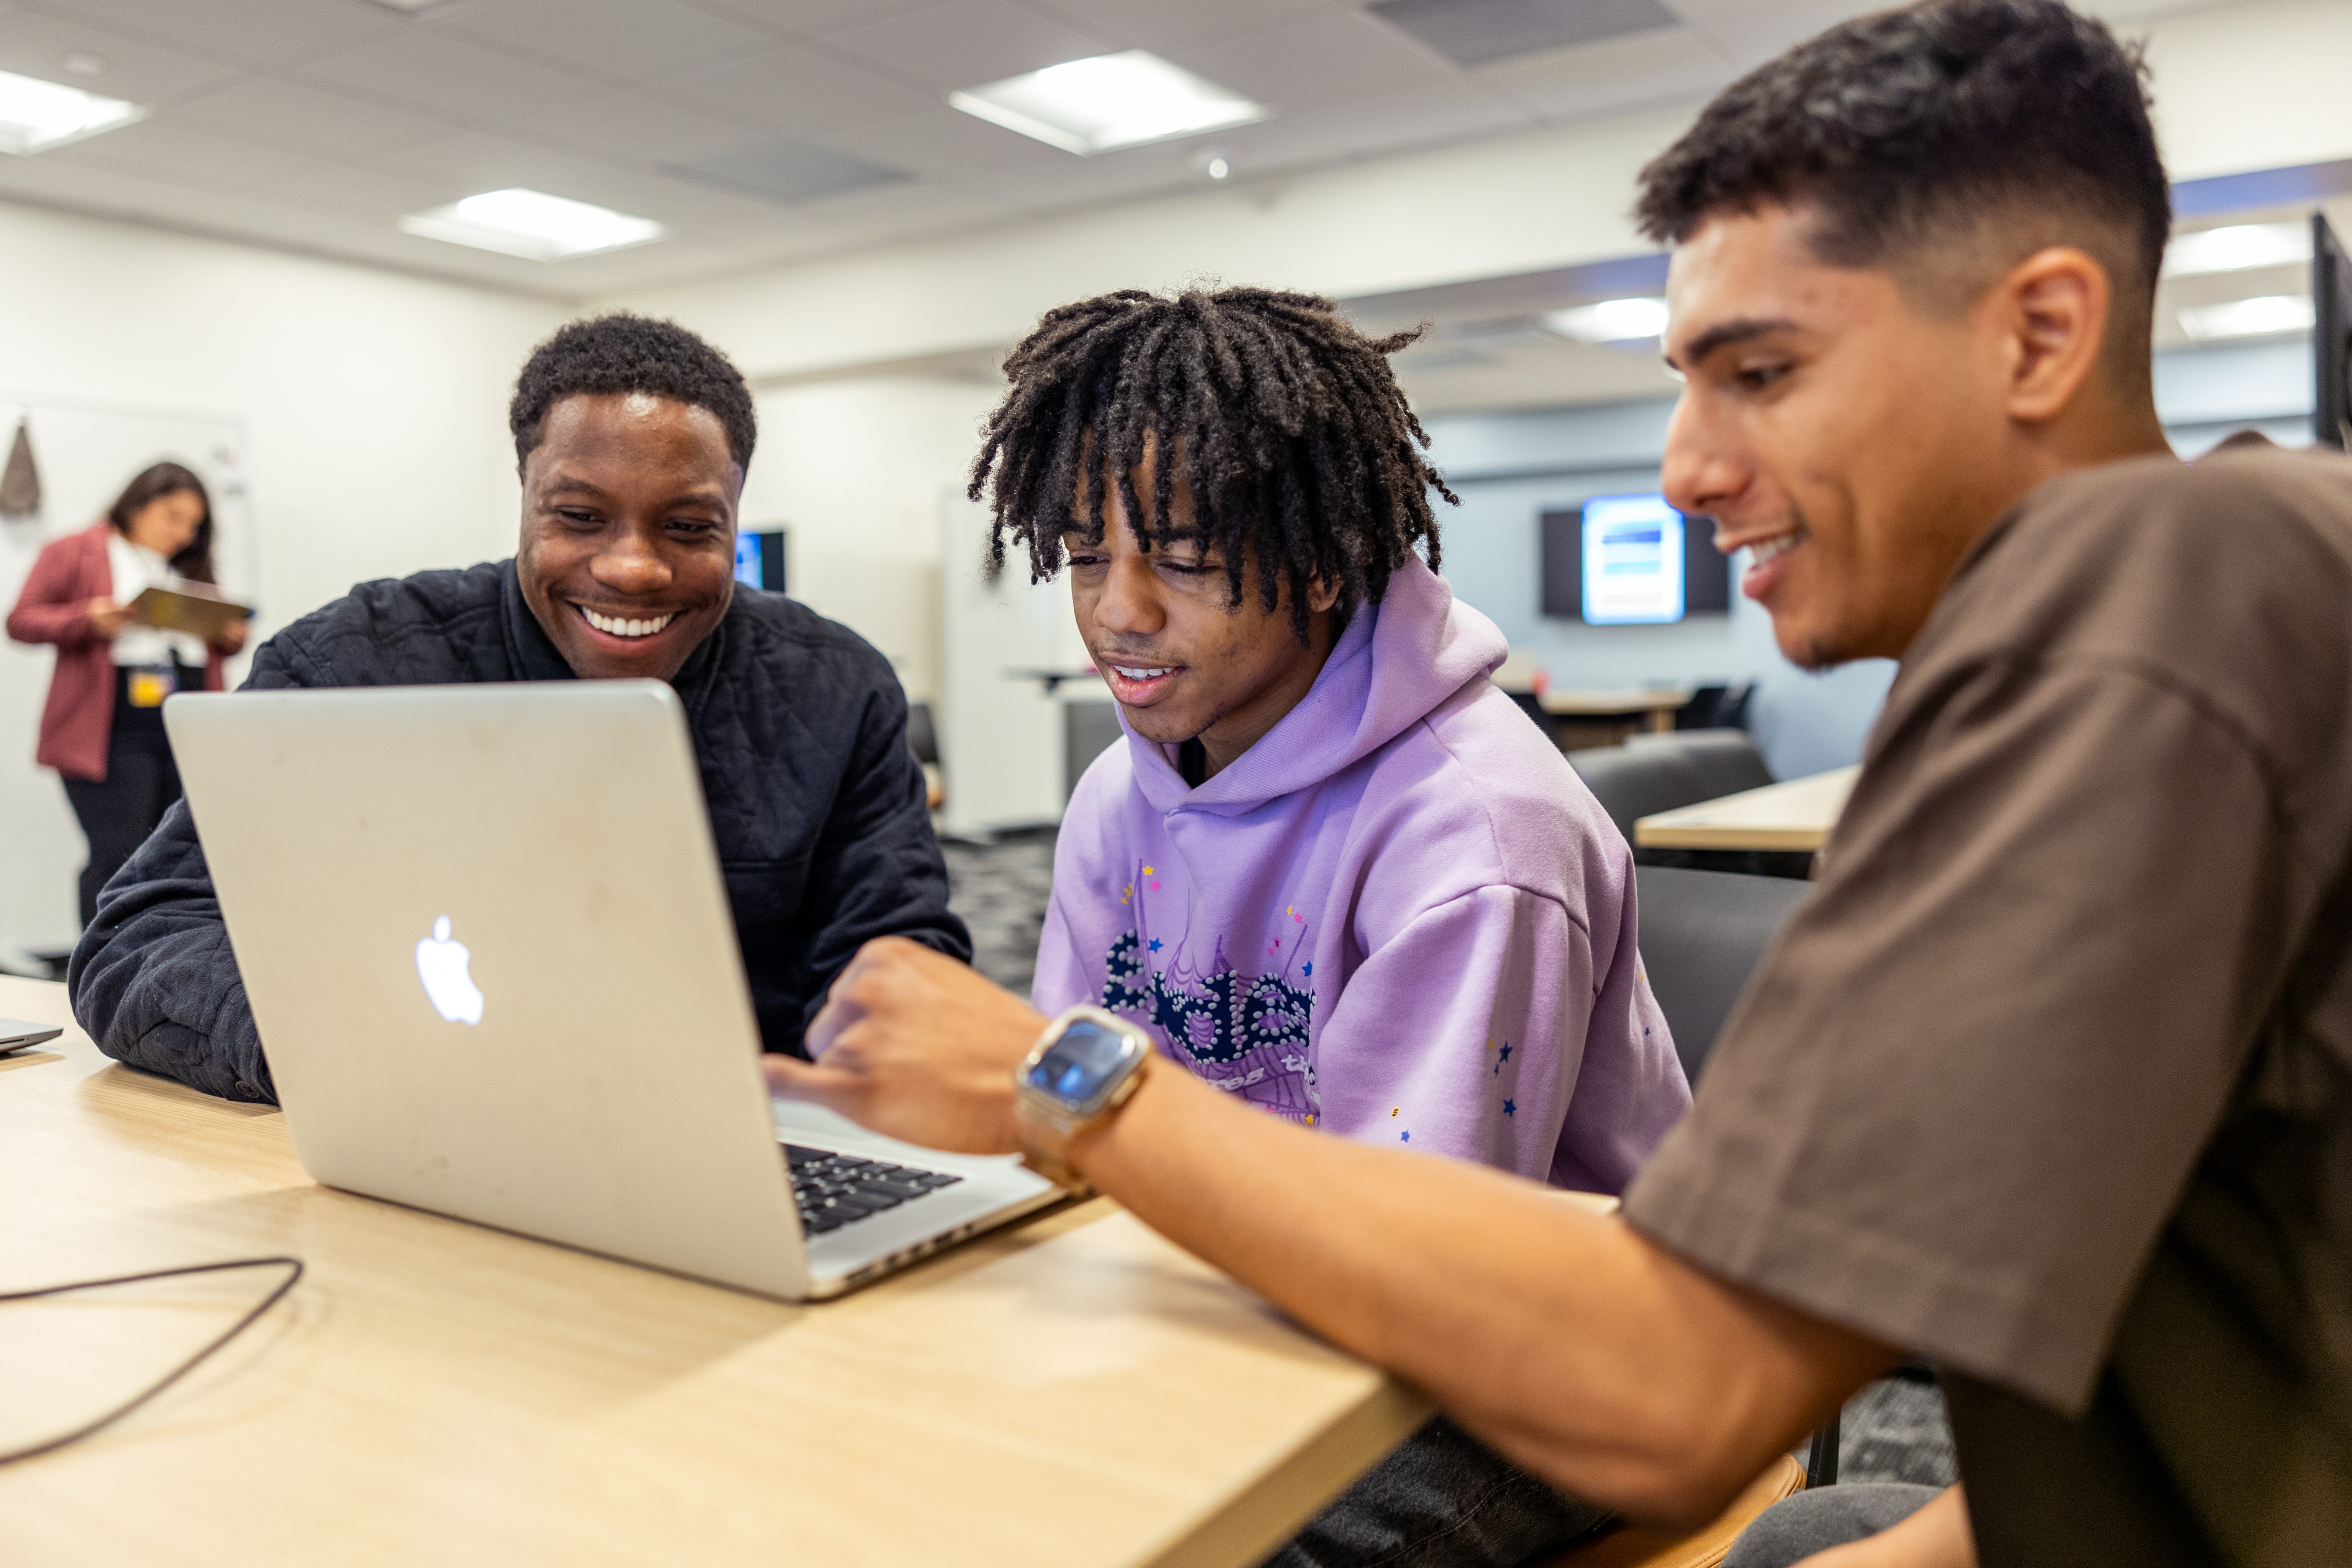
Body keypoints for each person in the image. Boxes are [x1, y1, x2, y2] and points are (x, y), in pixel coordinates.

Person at [766, 5, 2352, 1566]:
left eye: (1762, 371)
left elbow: (1676, 1388)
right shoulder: (2258, 567)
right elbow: (2218, 1316)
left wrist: (1067, 1081)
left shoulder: (2162, 590)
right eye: (1683, 379)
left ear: (2040, 334)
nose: (1684, 464)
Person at [70, 313, 968, 1104]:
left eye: (689, 527)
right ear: (525, 498)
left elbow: (896, 955)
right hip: (413, 1135)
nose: (632, 567)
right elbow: (139, 939)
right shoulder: (354, 664)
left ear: (736, 517)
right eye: (580, 516)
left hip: (740, 1148)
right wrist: (346, 1050)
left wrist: (864, 1074)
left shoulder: (834, 688)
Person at [975, 286, 1688, 1190]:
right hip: (1201, 1264)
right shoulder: (1117, 793)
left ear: (1318, 570)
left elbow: (1411, 1237)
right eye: (1085, 558)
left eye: (1185, 562)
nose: (1118, 611)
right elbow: (1067, 1131)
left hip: (1507, 1305)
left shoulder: (1477, 837)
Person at [7, 462, 249, 929]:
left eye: (194, 524)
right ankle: (103, 978)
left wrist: (229, 633)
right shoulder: (77, 551)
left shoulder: (187, 568)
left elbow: (219, 644)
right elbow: (22, 620)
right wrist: (88, 619)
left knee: (181, 859)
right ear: (137, 505)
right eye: (172, 516)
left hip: (186, 727)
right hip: (114, 732)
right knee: (119, 854)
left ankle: (164, 969)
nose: (182, 532)